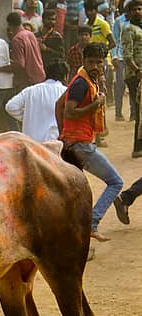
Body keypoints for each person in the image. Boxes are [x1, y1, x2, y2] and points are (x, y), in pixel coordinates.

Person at [59, 42, 125, 241]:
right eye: (91, 62)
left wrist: (63, 135)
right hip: (81, 146)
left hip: (73, 142)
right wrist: (96, 104)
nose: (95, 66)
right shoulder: (81, 83)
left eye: (99, 62)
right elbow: (69, 111)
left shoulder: (86, 80)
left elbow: (58, 105)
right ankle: (92, 223)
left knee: (76, 194)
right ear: (84, 62)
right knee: (115, 182)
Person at [6, 60, 69, 142]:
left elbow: (10, 107)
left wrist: (27, 117)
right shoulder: (66, 92)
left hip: (31, 143)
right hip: (55, 143)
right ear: (65, 76)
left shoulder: (30, 90)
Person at [0, 12, 46, 91]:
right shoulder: (30, 34)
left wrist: (0, 69)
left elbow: (19, 65)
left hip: (27, 81)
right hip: (39, 77)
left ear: (10, 25)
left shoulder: (17, 39)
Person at [121, 0, 142, 152]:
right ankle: (137, 147)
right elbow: (127, 56)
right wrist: (138, 71)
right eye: (134, 9)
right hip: (135, 75)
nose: (138, 12)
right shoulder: (128, 29)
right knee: (139, 111)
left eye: (140, 9)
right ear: (128, 13)